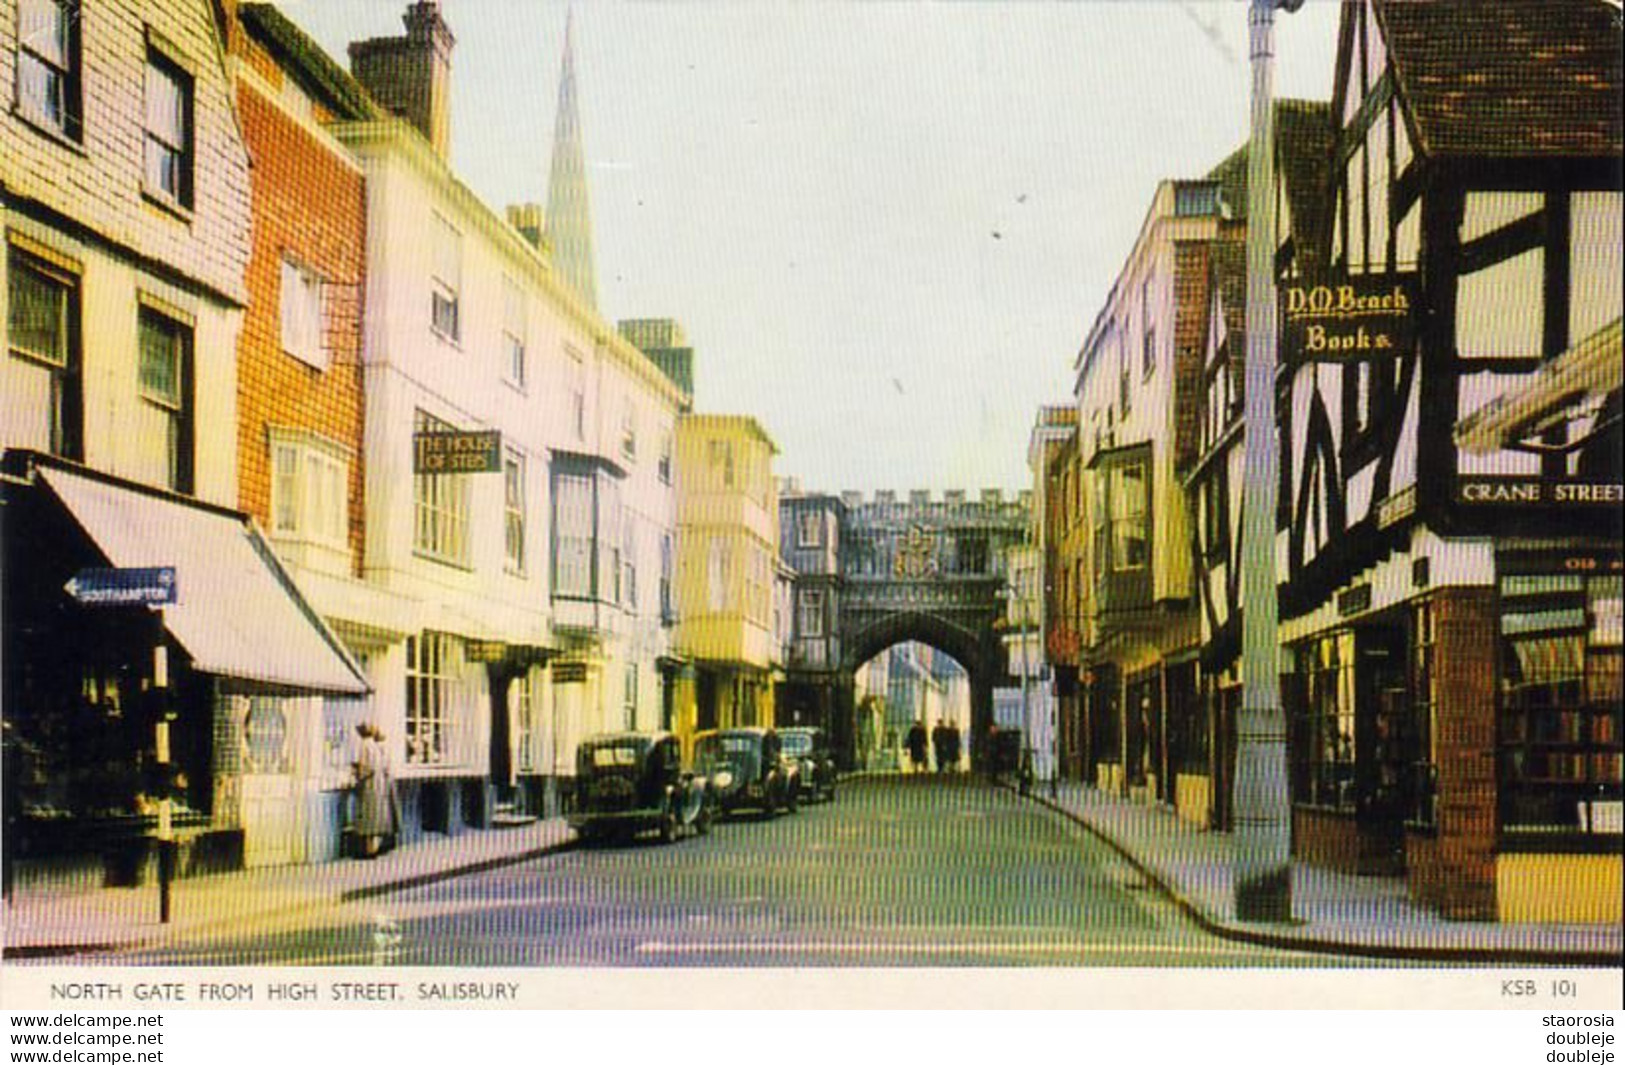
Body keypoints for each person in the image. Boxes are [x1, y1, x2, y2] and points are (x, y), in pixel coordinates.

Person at [352, 723, 398, 858]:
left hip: (369, 786)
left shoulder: (365, 745)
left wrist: (357, 771)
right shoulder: (376, 746)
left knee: (368, 821)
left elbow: (367, 767)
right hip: (380, 785)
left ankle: (369, 852)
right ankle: (376, 848)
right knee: (378, 819)